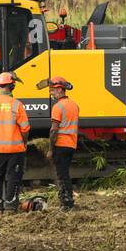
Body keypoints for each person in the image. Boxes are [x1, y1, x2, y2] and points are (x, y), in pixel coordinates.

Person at [0, 71, 29, 214]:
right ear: (12, 86)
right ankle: (10, 207)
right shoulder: (17, 105)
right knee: (13, 178)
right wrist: (24, 143)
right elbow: (25, 128)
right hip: (15, 149)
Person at [46, 76, 79, 210]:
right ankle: (67, 201)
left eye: (53, 90)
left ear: (60, 89)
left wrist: (50, 149)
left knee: (62, 175)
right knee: (65, 173)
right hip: (71, 144)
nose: (51, 93)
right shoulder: (74, 105)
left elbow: (54, 131)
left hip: (61, 145)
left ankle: (67, 203)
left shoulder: (58, 107)